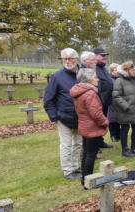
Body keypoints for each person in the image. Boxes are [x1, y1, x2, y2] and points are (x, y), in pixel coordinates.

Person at [44, 48, 82, 180]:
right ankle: (68, 171)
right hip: (63, 117)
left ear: (77, 60)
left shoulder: (82, 74)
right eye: (64, 58)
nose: (67, 61)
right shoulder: (57, 76)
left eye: (70, 58)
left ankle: (75, 166)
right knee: (66, 145)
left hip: (80, 117)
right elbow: (48, 99)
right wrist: (54, 116)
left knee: (78, 143)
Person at [69, 68, 109, 187]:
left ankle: (84, 179)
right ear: (89, 79)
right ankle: (89, 182)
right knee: (90, 154)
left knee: (86, 153)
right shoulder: (90, 93)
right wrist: (105, 121)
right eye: (95, 77)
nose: (97, 79)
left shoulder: (80, 91)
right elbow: (96, 114)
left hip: (84, 126)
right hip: (92, 127)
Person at [80, 51, 113, 149]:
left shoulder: (102, 68)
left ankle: (100, 141)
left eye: (105, 55)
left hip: (105, 101)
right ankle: (94, 146)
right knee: (95, 123)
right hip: (97, 100)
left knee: (101, 122)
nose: (104, 57)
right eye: (102, 55)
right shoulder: (92, 69)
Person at [112, 61, 135, 157]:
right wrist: (126, 106)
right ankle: (125, 150)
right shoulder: (119, 81)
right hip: (125, 111)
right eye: (133, 69)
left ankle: (134, 147)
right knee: (125, 129)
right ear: (126, 70)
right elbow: (116, 96)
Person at [107, 63, 120, 142]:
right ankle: (113, 135)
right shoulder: (109, 79)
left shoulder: (119, 78)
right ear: (112, 71)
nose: (117, 71)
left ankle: (118, 134)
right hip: (112, 102)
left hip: (119, 101)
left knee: (119, 119)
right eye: (116, 70)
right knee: (112, 120)